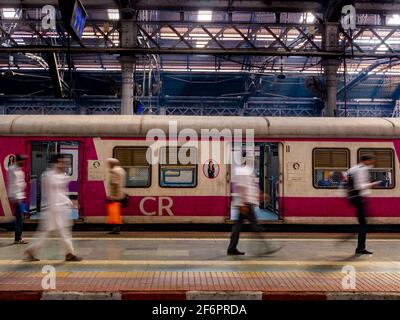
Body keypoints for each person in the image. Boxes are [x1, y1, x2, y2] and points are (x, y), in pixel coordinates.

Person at [24, 154, 82, 262]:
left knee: (46, 231)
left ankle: (31, 251)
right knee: (63, 232)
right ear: (55, 162)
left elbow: (61, 191)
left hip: (57, 208)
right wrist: (68, 201)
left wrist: (68, 201)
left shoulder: (58, 175)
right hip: (55, 208)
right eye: (61, 162)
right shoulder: (49, 175)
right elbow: (54, 192)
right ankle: (69, 254)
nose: (63, 164)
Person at [227, 151, 280, 256]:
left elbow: (252, 187)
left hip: (247, 202)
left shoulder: (248, 172)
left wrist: (260, 194)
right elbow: (241, 187)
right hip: (246, 203)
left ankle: (232, 248)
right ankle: (266, 248)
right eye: (253, 160)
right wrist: (242, 204)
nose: (254, 162)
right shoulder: (242, 171)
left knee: (239, 227)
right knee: (254, 227)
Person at [347, 155, 382, 255]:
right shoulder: (362, 169)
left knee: (363, 223)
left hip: (354, 198)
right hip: (359, 198)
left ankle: (360, 247)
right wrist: (372, 184)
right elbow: (360, 186)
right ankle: (360, 248)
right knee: (363, 224)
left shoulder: (353, 169)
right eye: (370, 161)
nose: (371, 163)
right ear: (365, 161)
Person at [7, 154, 28, 244]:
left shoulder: (19, 170)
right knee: (19, 218)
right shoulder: (12, 170)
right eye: (22, 160)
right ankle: (17, 238)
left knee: (20, 217)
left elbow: (20, 182)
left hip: (20, 196)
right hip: (16, 197)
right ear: (18, 161)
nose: (24, 162)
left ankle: (17, 236)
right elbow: (12, 184)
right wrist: (14, 197)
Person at [106, 158, 126, 235]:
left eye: (109, 164)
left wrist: (113, 196)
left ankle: (116, 229)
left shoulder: (114, 171)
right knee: (116, 212)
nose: (108, 165)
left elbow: (115, 184)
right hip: (120, 194)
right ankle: (116, 228)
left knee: (114, 212)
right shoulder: (121, 170)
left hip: (116, 195)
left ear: (112, 164)